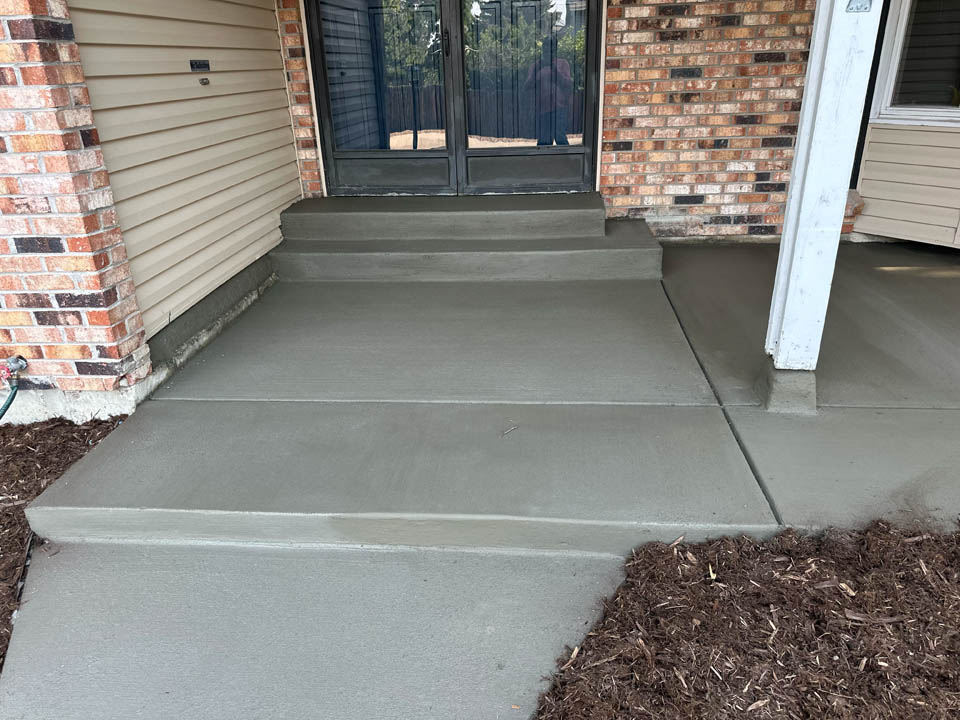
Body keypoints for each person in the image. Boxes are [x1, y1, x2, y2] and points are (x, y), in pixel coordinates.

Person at [524, 39, 572, 146]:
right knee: (544, 141)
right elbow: (527, 87)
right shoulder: (536, 66)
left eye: (550, 48)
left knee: (560, 138)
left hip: (559, 108)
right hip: (542, 109)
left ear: (555, 50)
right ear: (542, 49)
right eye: (545, 47)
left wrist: (555, 69)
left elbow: (568, 84)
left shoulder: (562, 64)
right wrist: (536, 71)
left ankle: (565, 161)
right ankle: (542, 163)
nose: (547, 50)